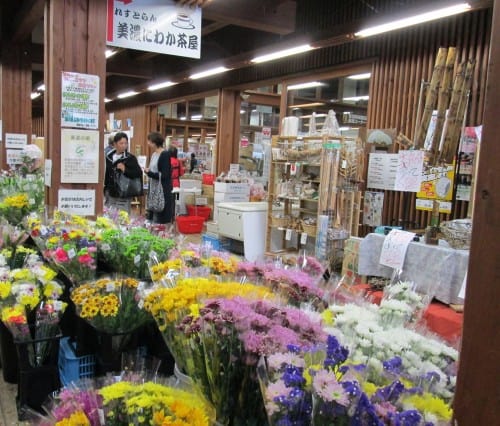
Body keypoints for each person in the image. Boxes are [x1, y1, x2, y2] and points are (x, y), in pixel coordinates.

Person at [104, 132, 143, 214]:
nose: (124, 145)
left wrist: (125, 169)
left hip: (123, 194)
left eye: (125, 143)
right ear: (115, 144)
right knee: (109, 217)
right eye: (121, 143)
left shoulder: (130, 158)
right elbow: (106, 174)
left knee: (123, 218)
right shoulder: (108, 157)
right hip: (110, 193)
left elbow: (138, 173)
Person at [144, 132, 174, 224]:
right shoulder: (154, 154)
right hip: (153, 189)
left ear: (154, 142)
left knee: (161, 220)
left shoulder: (164, 154)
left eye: (149, 141)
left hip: (162, 191)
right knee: (153, 219)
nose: (148, 143)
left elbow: (164, 175)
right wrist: (149, 171)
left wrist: (149, 173)